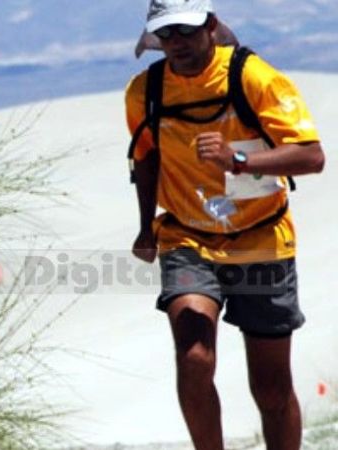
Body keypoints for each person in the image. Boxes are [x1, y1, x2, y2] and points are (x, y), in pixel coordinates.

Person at [125, 0, 325, 448]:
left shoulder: (253, 78)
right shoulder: (146, 91)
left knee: (271, 387)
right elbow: (146, 158)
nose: (175, 43)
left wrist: (238, 161)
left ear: (211, 26)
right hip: (186, 235)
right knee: (194, 358)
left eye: (185, 30)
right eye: (165, 34)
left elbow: (311, 156)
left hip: (261, 235)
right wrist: (145, 227)